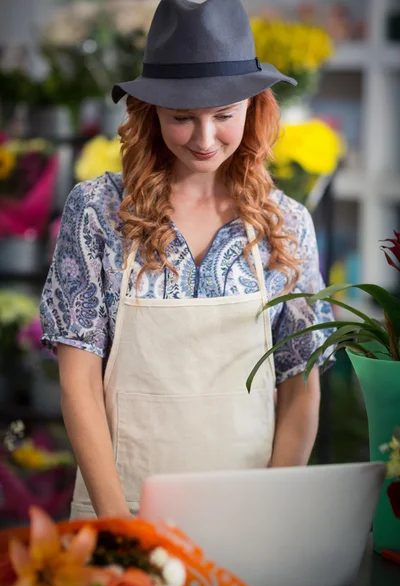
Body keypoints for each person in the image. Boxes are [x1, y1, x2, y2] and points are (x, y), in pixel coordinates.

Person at [40, 0, 335, 520]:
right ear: (149, 112)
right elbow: (78, 382)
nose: (204, 140)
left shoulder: (286, 225)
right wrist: (119, 527)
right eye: (182, 118)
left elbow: (299, 384)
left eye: (224, 116)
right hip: (120, 511)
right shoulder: (98, 212)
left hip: (248, 518)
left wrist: (270, 517)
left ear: (254, 105)